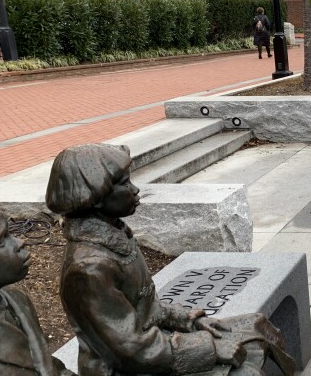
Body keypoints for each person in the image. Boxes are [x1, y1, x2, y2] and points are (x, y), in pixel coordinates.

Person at [45, 144, 294, 376]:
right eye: (124, 184)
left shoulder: (115, 236)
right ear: (96, 197)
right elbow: (129, 349)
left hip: (153, 343)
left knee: (257, 325)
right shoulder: (87, 269)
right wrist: (209, 349)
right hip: (126, 367)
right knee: (245, 368)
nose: (135, 189)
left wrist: (192, 321)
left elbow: (149, 308)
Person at [0, 205, 74, 376]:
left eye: (10, 233)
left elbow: (47, 365)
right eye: (2, 240)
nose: (20, 242)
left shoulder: (16, 298)